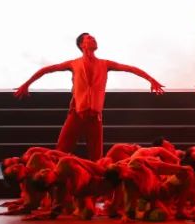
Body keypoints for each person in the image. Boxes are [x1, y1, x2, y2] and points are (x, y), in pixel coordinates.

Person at [14, 32, 165, 160]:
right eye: (89, 38)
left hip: (94, 117)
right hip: (77, 114)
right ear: (82, 44)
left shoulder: (105, 64)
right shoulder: (74, 64)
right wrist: (26, 84)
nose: (93, 39)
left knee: (96, 158)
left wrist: (151, 80)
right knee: (61, 152)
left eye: (94, 38)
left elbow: (130, 68)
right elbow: (47, 69)